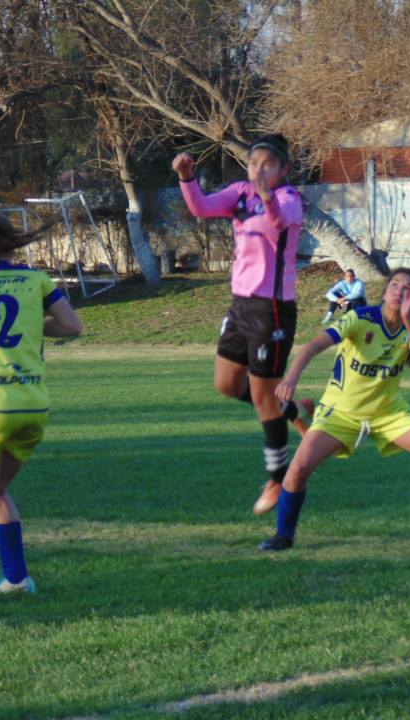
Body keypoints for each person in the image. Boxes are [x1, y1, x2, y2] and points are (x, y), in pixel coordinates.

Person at [262, 268, 410, 550]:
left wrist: (408, 320)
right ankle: (283, 536)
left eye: (408, 288)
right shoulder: (359, 317)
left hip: (388, 411)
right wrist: (291, 379)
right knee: (299, 468)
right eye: (395, 284)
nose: (399, 290)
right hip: (340, 412)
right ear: (385, 290)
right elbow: (314, 345)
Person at [173, 134, 312, 517]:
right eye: (254, 164)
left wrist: (266, 194)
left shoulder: (289, 199)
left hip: (273, 311)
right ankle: (293, 409)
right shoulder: (237, 192)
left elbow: (278, 221)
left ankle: (278, 477)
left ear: (283, 169)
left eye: (268, 164)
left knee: (263, 398)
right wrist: (187, 178)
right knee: (227, 385)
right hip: (240, 307)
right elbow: (200, 209)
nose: (258, 170)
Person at [0, 212, 82, 596]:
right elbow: (72, 327)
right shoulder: (36, 279)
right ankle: (16, 579)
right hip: (33, 408)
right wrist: (33, 326)